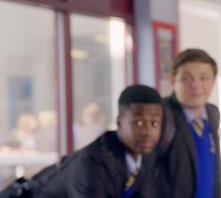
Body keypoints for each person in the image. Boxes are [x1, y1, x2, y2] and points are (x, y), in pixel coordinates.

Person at [0, 84, 165, 198]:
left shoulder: (144, 157)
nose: (147, 132)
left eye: (154, 123)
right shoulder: (92, 163)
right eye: (138, 122)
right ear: (119, 122)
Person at [161, 48, 221, 198]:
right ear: (172, 80)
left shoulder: (213, 113)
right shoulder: (160, 116)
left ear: (213, 81)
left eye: (204, 78)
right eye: (187, 78)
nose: (196, 85)